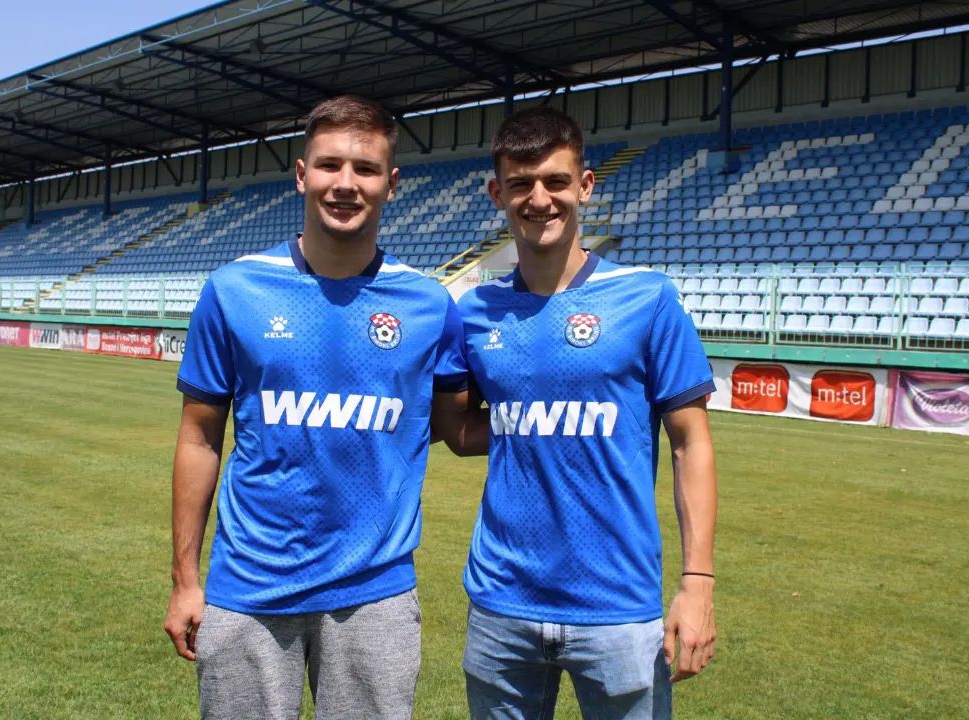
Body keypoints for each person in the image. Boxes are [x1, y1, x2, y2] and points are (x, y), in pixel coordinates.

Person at [163, 95, 481, 720]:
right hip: (250, 589)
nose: (345, 183)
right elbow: (199, 438)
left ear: (392, 184)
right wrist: (185, 580)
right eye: (330, 164)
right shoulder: (233, 290)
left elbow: (457, 424)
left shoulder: (428, 306)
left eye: (365, 169)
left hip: (375, 595)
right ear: (302, 174)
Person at [456, 107, 719, 719]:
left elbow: (690, 444)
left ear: (586, 185)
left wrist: (698, 583)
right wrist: (530, 426)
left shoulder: (648, 298)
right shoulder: (472, 313)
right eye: (520, 184)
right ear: (497, 193)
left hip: (618, 608)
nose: (539, 199)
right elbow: (460, 428)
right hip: (501, 603)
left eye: (555, 180)